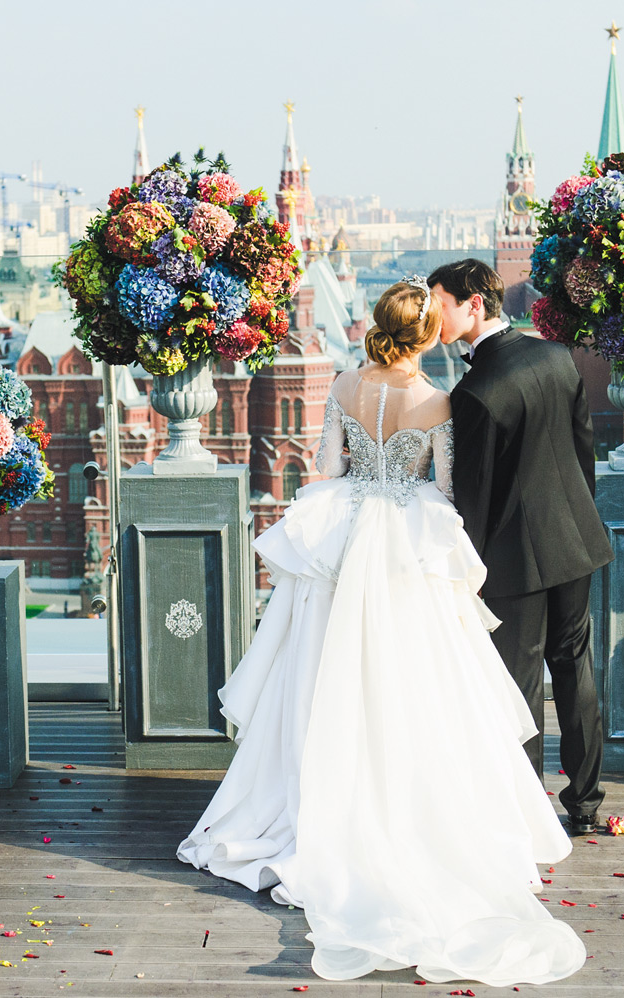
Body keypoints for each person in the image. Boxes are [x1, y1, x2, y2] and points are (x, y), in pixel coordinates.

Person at [178, 279, 584, 986]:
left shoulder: (340, 384)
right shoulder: (437, 401)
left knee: (324, 669)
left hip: (341, 535)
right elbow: (451, 489)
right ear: (427, 335)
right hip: (407, 543)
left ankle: (316, 787)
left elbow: (330, 469)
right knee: (412, 676)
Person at [429, 258, 614, 836]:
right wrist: (579, 518)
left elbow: (473, 500)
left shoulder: (476, 392)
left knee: (520, 681)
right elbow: (584, 454)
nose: (434, 313)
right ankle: (584, 805)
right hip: (578, 539)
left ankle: (527, 812)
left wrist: (466, 571)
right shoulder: (557, 356)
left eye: (441, 302)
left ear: (473, 304)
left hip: (516, 559)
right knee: (575, 665)